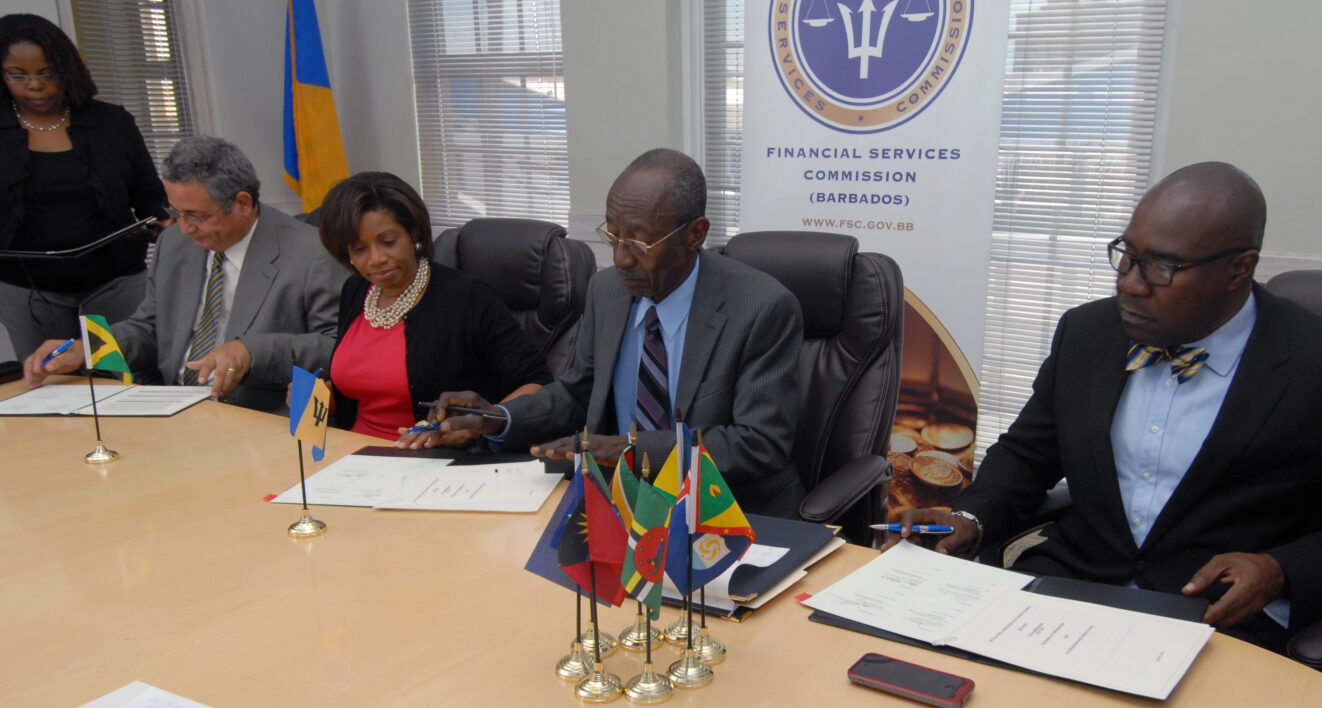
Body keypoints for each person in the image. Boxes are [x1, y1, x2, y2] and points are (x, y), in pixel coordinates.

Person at [894, 162, 1322, 651]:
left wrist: (1280, 570)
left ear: (1239, 269)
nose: (1130, 285)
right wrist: (970, 516)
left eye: (1160, 267)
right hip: (1077, 590)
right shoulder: (1088, 333)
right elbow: (1029, 453)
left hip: (1228, 621)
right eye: (1127, 256)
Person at [417, 148, 806, 517]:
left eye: (638, 241)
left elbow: (758, 443)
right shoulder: (607, 291)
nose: (620, 258)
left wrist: (632, 451)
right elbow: (578, 393)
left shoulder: (761, 307)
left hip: (729, 514)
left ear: (695, 234)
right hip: (620, 507)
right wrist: (499, 418)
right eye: (613, 234)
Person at [23, 135, 344, 412]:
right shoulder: (174, 243)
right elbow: (150, 329)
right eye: (175, 213)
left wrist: (250, 351)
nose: (185, 228)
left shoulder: (312, 252)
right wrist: (88, 348)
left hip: (256, 412)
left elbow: (336, 347)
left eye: (196, 216)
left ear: (243, 204)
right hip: (173, 406)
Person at [315, 171, 551, 441]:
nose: (376, 259)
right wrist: (324, 398)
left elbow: (539, 382)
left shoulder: (468, 298)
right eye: (359, 249)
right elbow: (364, 389)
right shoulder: (356, 290)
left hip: (434, 457)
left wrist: (477, 428)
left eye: (388, 242)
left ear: (413, 233)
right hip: (351, 451)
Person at [0, 13, 166, 359]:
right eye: (18, 75)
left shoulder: (111, 123)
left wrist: (162, 226)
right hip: (27, 290)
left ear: (67, 69)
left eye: (47, 73)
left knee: (122, 375)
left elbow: (150, 198)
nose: (34, 85)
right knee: (51, 379)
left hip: (116, 282)